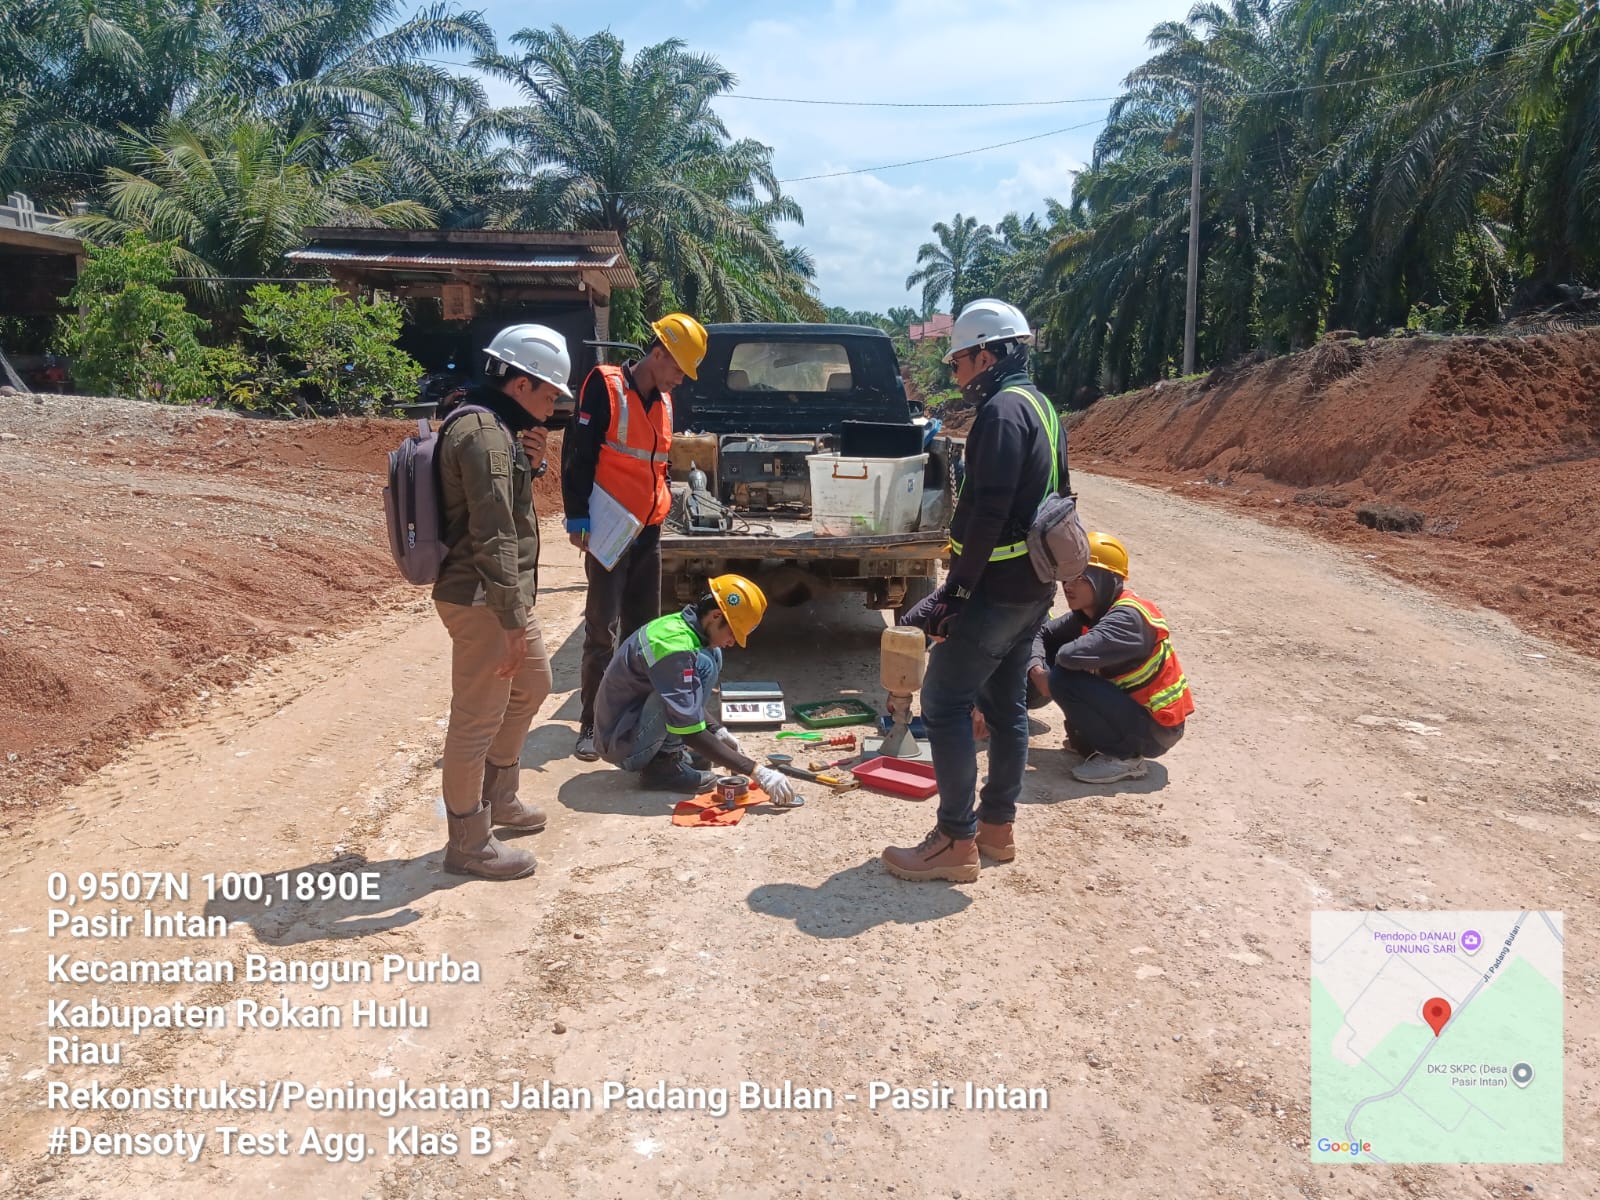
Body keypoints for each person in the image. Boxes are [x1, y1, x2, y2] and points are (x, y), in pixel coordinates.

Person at [885, 298, 1067, 881]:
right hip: (1035, 584)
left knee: (944, 702)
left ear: (987, 353)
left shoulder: (999, 413)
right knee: (1005, 704)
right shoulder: (1041, 407)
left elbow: (988, 512)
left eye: (960, 360)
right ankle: (996, 827)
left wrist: (954, 594)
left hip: (998, 586)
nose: (957, 373)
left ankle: (955, 840)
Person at [433, 324, 571, 881]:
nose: (555, 404)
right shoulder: (486, 437)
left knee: (533, 684)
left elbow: (505, 512)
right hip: (483, 598)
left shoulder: (499, 429)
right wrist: (513, 623)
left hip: (499, 596)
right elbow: (494, 537)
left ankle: (500, 798)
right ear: (519, 383)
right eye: (548, 393)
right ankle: (467, 841)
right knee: (475, 720)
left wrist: (533, 464)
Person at [562, 313, 709, 763]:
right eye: (678, 368)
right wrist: (577, 517)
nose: (680, 379)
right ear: (658, 353)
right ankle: (591, 723)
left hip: (648, 530)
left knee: (646, 633)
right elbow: (578, 453)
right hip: (609, 530)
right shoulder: (604, 387)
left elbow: (658, 464)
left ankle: (635, 718)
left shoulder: (664, 403)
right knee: (601, 630)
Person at [593, 573, 799, 806]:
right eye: (732, 632)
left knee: (710, 656)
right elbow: (688, 726)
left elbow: (687, 698)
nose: (733, 642)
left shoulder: (680, 626)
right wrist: (757, 772)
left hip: (630, 722)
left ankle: (673, 752)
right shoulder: (673, 648)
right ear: (715, 616)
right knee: (686, 684)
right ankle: (662, 766)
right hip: (623, 745)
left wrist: (716, 730)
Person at [1031, 531, 1194, 784]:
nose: (1068, 586)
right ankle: (1091, 739)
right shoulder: (1092, 611)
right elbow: (1042, 634)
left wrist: (1048, 676)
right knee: (1052, 657)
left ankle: (1124, 758)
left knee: (1063, 675)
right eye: (1066, 577)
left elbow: (1068, 656)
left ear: (1103, 580)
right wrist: (1036, 670)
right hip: (1135, 714)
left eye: (1080, 578)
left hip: (1158, 729)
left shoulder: (1127, 619)